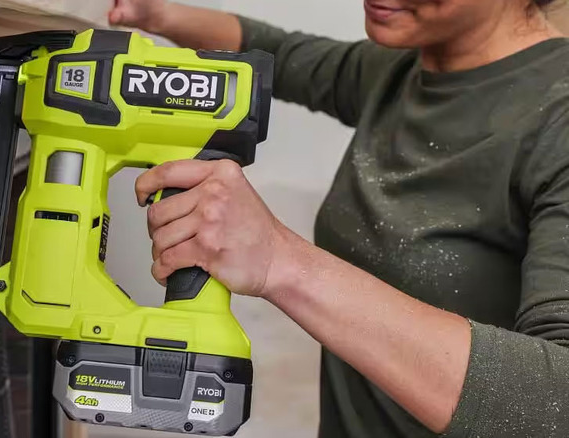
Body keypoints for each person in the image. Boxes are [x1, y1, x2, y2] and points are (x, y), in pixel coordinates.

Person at [108, 0, 569, 437]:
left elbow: (558, 403)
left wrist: (281, 260)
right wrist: (157, 14)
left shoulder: (557, 119)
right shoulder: (401, 70)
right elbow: (281, 53)